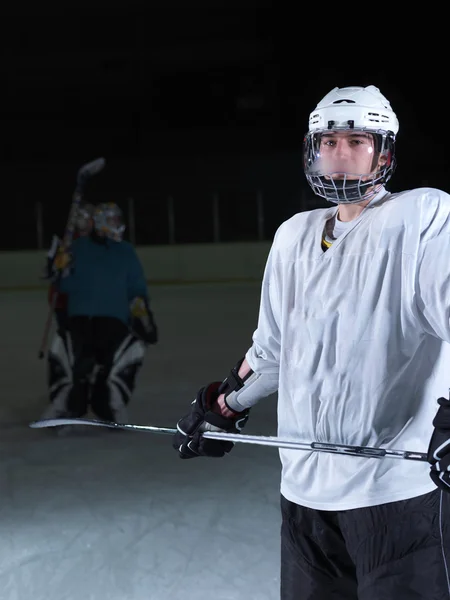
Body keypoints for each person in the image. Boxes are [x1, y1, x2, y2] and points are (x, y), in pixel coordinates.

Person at [173, 85, 450, 599]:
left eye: (357, 141)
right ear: (311, 150)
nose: (339, 154)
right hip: (304, 499)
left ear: (384, 152)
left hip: (394, 498)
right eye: (328, 142)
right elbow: (274, 350)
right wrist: (225, 406)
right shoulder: (293, 236)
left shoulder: (422, 218)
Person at [42, 202, 158, 425]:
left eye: (118, 220)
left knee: (111, 367)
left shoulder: (125, 251)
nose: (118, 225)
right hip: (79, 320)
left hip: (113, 321)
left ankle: (111, 406)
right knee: (74, 366)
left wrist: (144, 318)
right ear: (101, 222)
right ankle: (63, 405)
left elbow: (136, 289)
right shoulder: (77, 248)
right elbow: (63, 286)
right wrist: (55, 267)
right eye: (113, 220)